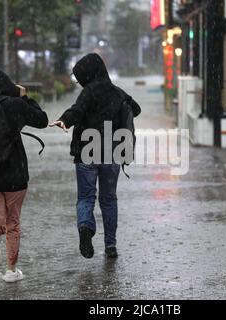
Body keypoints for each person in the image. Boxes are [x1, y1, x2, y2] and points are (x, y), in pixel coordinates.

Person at [50, 53, 141, 259]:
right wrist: (123, 102)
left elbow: (77, 111)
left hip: (86, 153)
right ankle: (110, 245)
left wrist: (63, 120)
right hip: (111, 154)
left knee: (85, 197)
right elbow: (136, 109)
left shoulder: (89, 93)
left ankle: (85, 228)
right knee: (109, 199)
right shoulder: (117, 93)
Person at [0, 69, 48, 282]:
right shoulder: (14, 105)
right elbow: (41, 120)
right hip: (14, 173)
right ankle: (11, 271)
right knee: (13, 222)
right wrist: (25, 97)